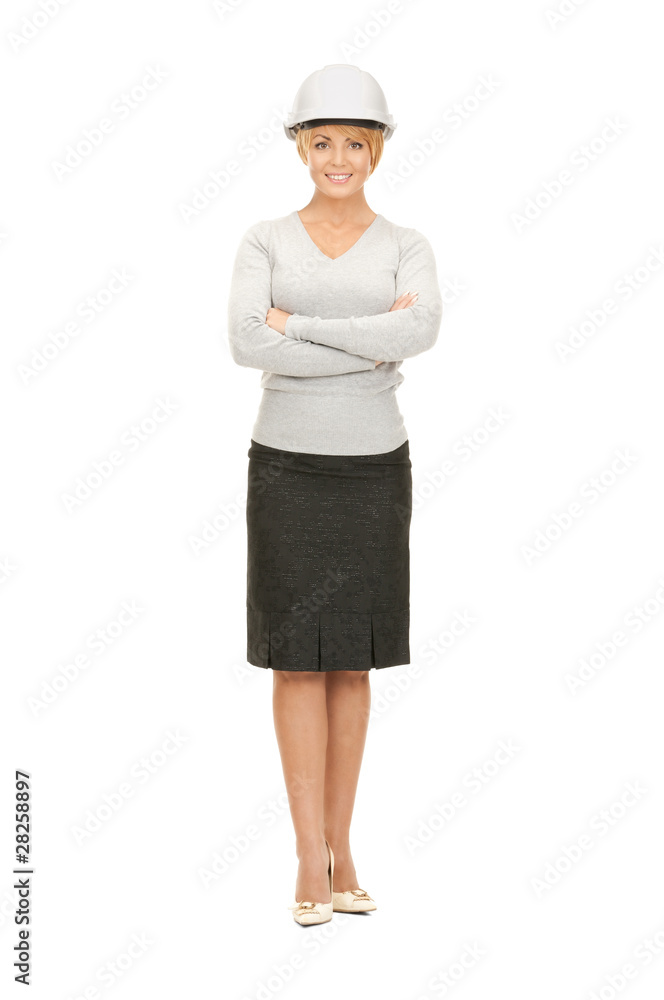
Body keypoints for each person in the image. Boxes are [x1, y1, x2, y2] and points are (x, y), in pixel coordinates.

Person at [227, 64, 443, 925]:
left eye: (356, 142)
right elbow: (247, 342)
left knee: (352, 660)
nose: (340, 158)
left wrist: (300, 325)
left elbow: (420, 329)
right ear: (301, 148)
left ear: (377, 149)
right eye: (323, 142)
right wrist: (369, 343)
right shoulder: (264, 241)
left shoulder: (408, 244)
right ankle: (304, 854)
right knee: (295, 659)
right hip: (288, 468)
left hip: (373, 468)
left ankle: (341, 849)